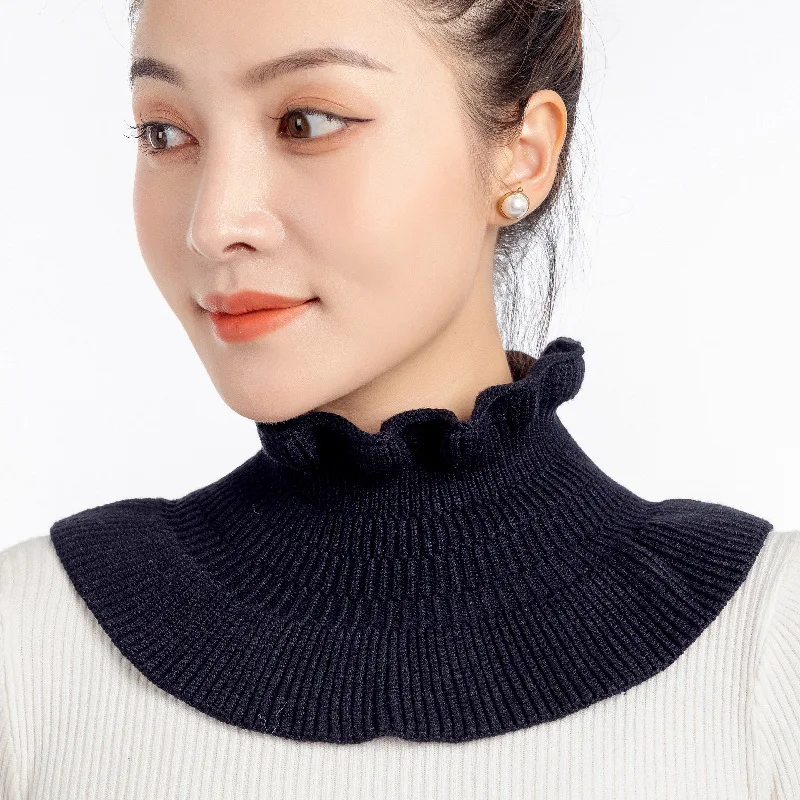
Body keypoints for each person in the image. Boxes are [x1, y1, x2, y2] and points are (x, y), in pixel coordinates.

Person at [1, 0, 798, 797]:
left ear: (522, 156)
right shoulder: (29, 643)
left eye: (307, 123)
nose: (212, 225)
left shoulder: (769, 645)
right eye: (164, 133)